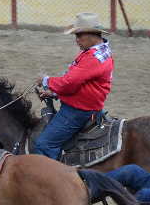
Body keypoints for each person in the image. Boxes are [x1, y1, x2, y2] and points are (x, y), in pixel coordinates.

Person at [34, 13, 114, 160]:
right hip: (88, 105)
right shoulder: (98, 52)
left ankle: (53, 178)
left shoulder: (92, 58)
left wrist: (46, 81)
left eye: (79, 36)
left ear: (92, 35)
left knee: (44, 144)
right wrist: (55, 94)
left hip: (78, 110)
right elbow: (81, 84)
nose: (76, 40)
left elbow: (69, 82)